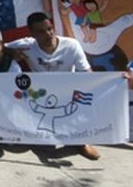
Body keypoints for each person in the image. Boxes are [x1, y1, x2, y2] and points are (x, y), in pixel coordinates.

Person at [6, 12, 101, 161]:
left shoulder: (71, 45)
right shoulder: (26, 45)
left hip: (67, 93)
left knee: (85, 98)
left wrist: (109, 81)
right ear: (32, 33)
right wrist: (11, 52)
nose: (48, 34)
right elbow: (0, 48)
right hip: (40, 95)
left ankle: (82, 143)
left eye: (50, 29)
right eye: (41, 31)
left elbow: (87, 72)